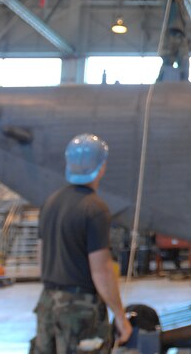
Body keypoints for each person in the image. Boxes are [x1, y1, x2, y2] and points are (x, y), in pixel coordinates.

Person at [31, 134, 132, 353]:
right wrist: (120, 316)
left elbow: (41, 256)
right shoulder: (95, 208)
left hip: (47, 302)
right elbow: (101, 271)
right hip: (80, 309)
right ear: (102, 167)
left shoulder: (50, 202)